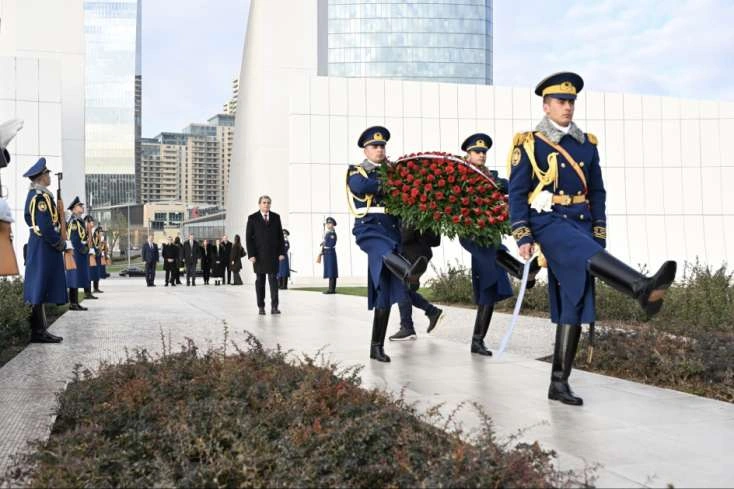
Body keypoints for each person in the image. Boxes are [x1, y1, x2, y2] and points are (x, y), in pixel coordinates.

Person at [507, 72, 677, 406]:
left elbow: (597, 191)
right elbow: (517, 193)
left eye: (571, 101)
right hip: (548, 221)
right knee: (578, 253)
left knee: (574, 299)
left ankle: (558, 383)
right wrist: (522, 233)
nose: (567, 107)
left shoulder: (586, 145)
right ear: (546, 106)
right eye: (561, 101)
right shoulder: (530, 143)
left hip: (582, 222)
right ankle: (640, 287)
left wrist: (599, 229)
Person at [458, 133, 541, 357]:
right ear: (468, 154)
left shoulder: (492, 178)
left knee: (489, 286)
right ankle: (520, 270)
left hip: (490, 234)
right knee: (492, 253)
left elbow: (515, 187)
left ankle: (477, 341)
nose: (481, 155)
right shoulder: (458, 175)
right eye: (477, 151)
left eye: (484, 152)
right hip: (470, 233)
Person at [347, 126, 424, 362]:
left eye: (382, 146)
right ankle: (408, 271)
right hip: (369, 228)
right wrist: (394, 182)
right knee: (383, 250)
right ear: (365, 150)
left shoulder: (392, 172)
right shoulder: (356, 171)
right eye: (374, 146)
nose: (379, 149)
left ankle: (376, 347)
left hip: (391, 231)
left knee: (384, 292)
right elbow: (362, 187)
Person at [22, 158, 66, 343]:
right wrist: (59, 243)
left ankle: (40, 330)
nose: (49, 176)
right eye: (47, 174)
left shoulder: (39, 195)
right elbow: (45, 226)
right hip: (43, 245)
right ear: (41, 177)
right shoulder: (40, 198)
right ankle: (38, 332)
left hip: (40, 244)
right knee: (39, 286)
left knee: (39, 286)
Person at [389, 225, 444, 341]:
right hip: (423, 253)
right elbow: (436, 241)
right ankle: (432, 311)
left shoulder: (409, 213)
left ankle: (407, 327)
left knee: (401, 288)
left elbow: (406, 235)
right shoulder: (429, 214)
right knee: (405, 289)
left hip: (410, 253)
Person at [245, 195, 286, 314]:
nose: (266, 204)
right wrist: (251, 254)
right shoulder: (252, 218)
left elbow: (280, 237)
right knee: (260, 281)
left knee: (273, 281)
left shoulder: (276, 217)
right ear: (259, 204)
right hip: (259, 256)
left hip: (273, 255)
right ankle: (261, 307)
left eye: (268, 202)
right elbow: (249, 238)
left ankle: (274, 307)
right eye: (264, 202)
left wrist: (281, 252)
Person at [65, 196, 90, 311]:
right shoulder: (74, 221)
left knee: (77, 277)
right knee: (74, 277)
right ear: (74, 209)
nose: (82, 207)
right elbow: (74, 238)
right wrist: (82, 248)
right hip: (76, 253)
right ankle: (73, 303)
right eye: (80, 206)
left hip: (79, 253)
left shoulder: (79, 220)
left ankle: (75, 302)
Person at [320, 217, 338, 294]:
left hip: (330, 252)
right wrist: (323, 243)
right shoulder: (328, 233)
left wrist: (325, 244)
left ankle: (331, 289)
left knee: (331, 271)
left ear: (333, 224)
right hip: (327, 253)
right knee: (330, 270)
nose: (328, 225)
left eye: (329, 223)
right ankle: (331, 288)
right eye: (327, 223)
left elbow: (331, 244)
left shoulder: (332, 234)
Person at [82, 216, 99, 300]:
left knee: (88, 275)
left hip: (89, 254)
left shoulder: (90, 231)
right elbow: (83, 241)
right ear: (87, 222)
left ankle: (88, 292)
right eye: (91, 222)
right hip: (85, 254)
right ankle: (87, 293)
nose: (93, 223)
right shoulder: (84, 230)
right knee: (86, 275)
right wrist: (88, 249)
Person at [91, 225, 104, 293]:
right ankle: (95, 288)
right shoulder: (94, 237)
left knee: (97, 273)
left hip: (98, 257)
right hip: (95, 257)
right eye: (101, 232)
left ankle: (96, 288)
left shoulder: (99, 238)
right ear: (97, 232)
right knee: (95, 273)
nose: (102, 233)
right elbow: (95, 246)